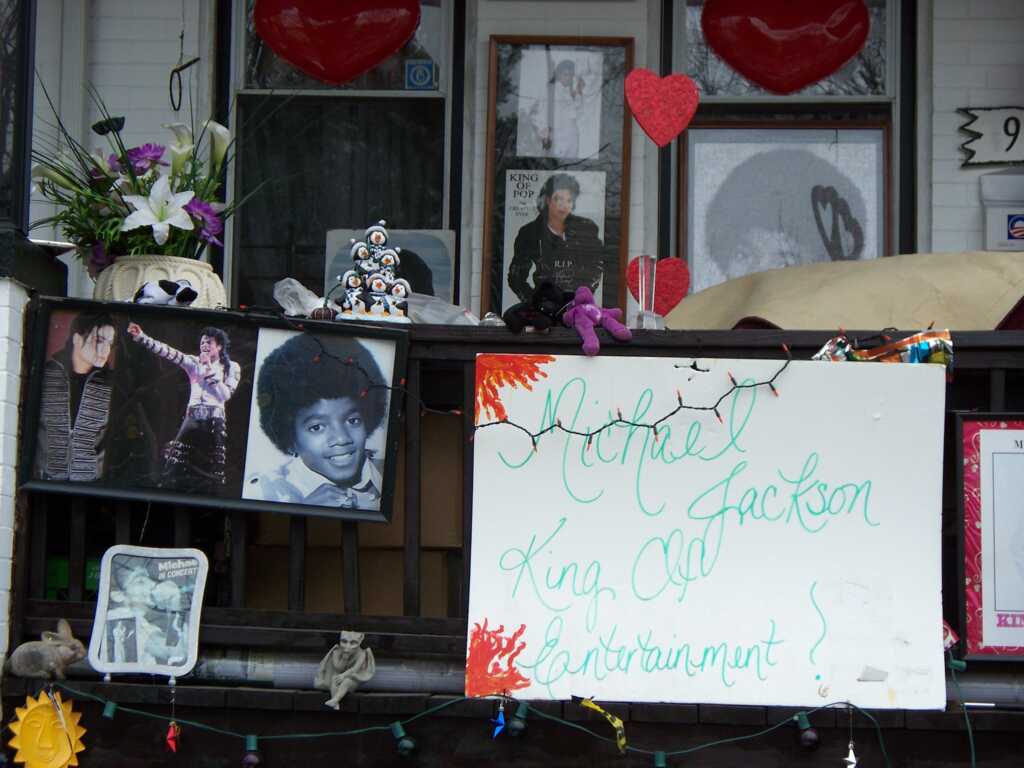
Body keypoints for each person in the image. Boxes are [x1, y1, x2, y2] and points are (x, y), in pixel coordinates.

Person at [247, 333, 387, 510]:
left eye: (352, 420)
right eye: (317, 427)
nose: (341, 438)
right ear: (290, 439)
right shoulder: (260, 492)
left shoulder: (389, 474)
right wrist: (301, 512)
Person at [127, 323, 241, 492]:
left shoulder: (232, 367)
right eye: (202, 342)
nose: (204, 345)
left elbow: (225, 395)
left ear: (219, 346)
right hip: (192, 417)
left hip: (214, 419)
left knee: (214, 465)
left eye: (209, 342)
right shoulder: (193, 362)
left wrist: (208, 368)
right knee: (174, 459)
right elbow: (169, 352)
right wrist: (143, 337)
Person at [35, 312, 117, 481]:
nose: (105, 351)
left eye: (110, 343)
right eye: (99, 340)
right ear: (77, 338)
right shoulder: (46, 375)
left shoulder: (113, 386)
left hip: (90, 486)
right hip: (43, 482)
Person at [508, 173, 606, 305]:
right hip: (544, 306)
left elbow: (597, 265)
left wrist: (582, 297)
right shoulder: (530, 232)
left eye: (569, 200)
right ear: (548, 200)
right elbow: (516, 277)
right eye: (558, 199)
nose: (563, 205)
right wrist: (535, 303)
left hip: (577, 306)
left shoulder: (586, 228)